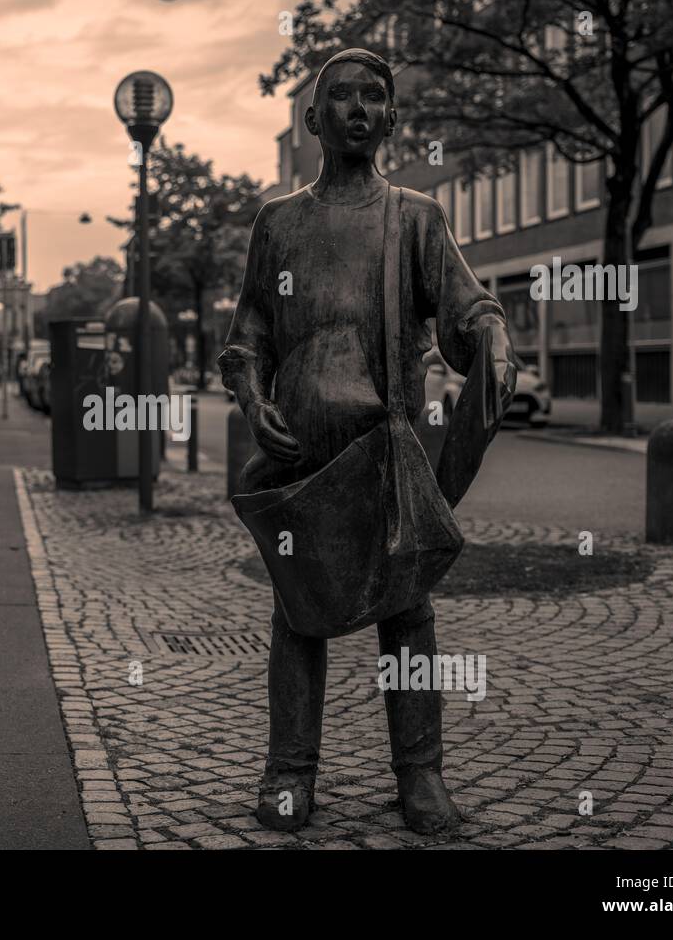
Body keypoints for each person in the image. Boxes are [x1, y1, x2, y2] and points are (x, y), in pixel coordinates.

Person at [218, 48, 515, 835]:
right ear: (312, 120)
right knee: (298, 609)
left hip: (385, 452)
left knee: (407, 612)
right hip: (300, 460)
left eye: (373, 97)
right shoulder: (278, 224)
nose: (357, 108)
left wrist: (491, 334)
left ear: (390, 119)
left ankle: (419, 773)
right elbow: (247, 332)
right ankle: (289, 770)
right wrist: (251, 398)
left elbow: (464, 306)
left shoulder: (414, 218)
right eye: (340, 97)